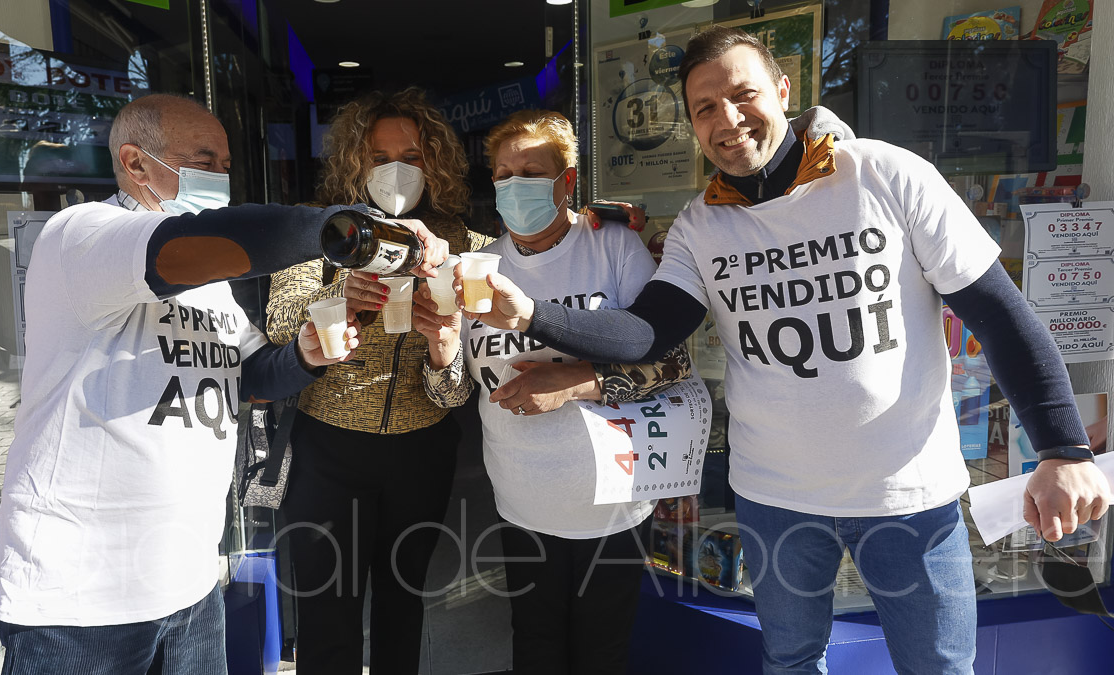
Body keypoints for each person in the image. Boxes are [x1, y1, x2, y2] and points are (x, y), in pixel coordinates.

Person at [459, 27, 1112, 675]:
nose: (727, 119)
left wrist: (1063, 448)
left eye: (742, 95)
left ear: (782, 88)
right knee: (791, 663)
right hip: (776, 503)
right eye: (705, 108)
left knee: (939, 667)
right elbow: (645, 334)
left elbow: (999, 315)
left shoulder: (887, 175)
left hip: (908, 498)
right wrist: (530, 313)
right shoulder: (700, 225)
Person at [0, 93, 446, 675]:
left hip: (188, 582)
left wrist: (305, 356)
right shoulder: (84, 235)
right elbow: (209, 242)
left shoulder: (209, 284)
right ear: (134, 163)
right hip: (81, 596)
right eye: (203, 162)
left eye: (226, 167)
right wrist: (354, 231)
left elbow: (249, 376)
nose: (219, 181)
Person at [415, 109, 691, 674]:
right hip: (522, 501)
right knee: (534, 645)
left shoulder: (612, 247)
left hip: (612, 501)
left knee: (602, 651)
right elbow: (450, 397)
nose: (514, 185)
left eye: (531, 172)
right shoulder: (476, 268)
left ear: (566, 181)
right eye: (502, 173)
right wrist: (443, 346)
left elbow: (672, 363)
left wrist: (574, 384)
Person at [265, 87, 486, 674]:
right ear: (352, 163)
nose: (395, 171)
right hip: (328, 448)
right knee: (326, 608)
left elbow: (462, 389)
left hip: (422, 449)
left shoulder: (467, 247)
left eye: (411, 157)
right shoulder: (316, 235)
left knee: (403, 601)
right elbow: (279, 325)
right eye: (378, 156)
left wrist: (444, 353)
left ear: (433, 163)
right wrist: (344, 293)